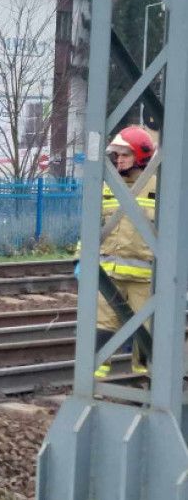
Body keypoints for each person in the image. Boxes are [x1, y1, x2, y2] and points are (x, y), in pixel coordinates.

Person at [93, 126, 157, 378]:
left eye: (125, 155)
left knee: (147, 334)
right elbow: (93, 226)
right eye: (116, 156)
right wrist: (81, 257)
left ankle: (145, 384)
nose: (118, 161)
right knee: (101, 328)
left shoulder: (160, 187)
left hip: (146, 279)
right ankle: (94, 384)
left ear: (140, 156)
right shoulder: (108, 185)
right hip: (109, 275)